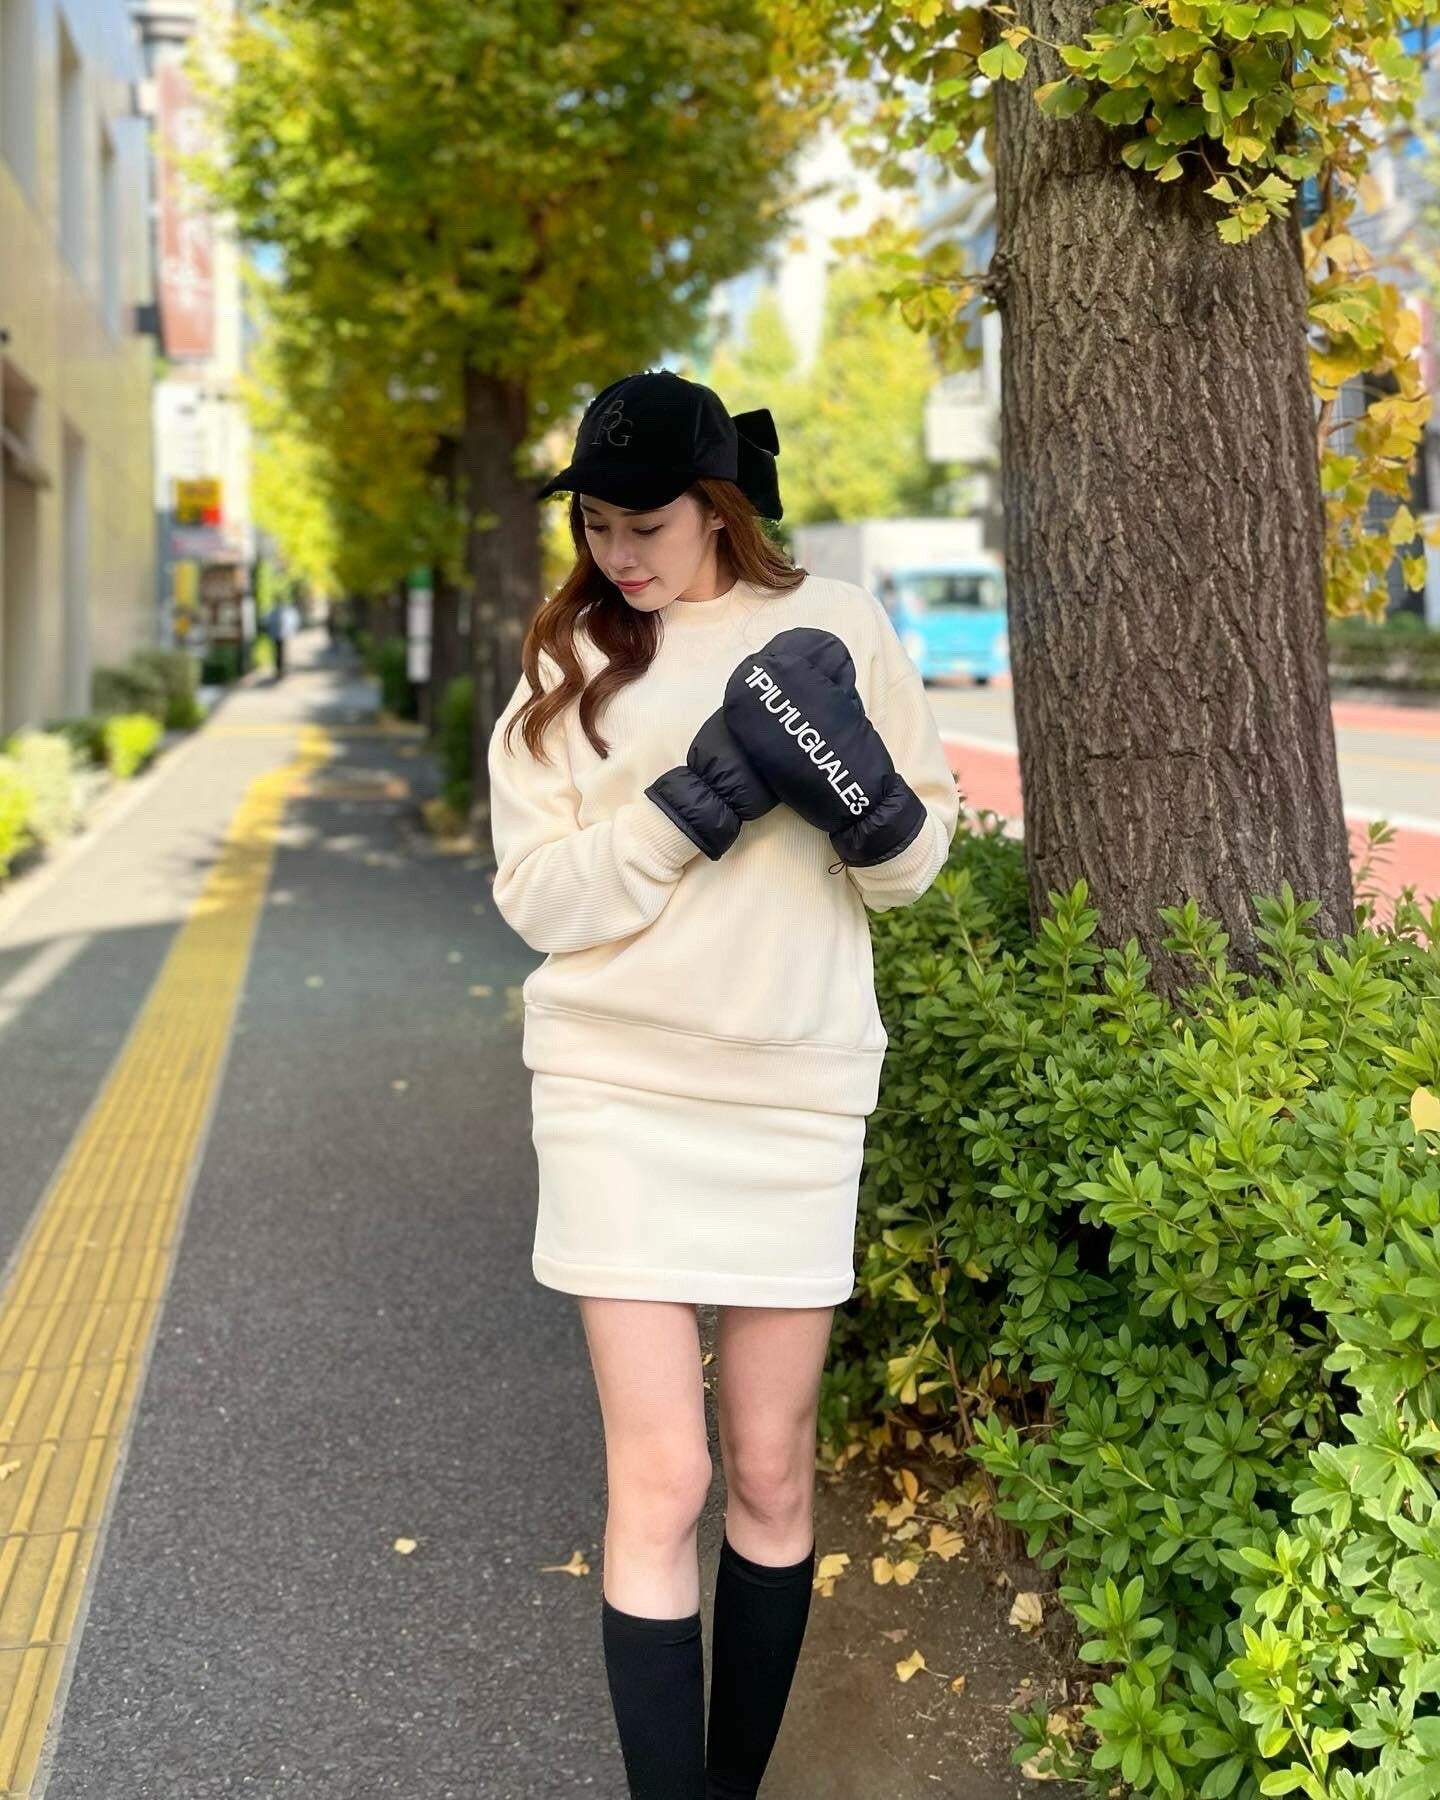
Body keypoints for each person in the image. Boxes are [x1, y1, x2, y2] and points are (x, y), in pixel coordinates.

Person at [486, 369, 960, 1799]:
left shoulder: (836, 626)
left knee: (768, 1469)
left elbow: (915, 869)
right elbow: (535, 899)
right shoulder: (569, 660)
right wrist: (685, 810)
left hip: (791, 1094)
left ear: (718, 505)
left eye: (646, 523)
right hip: (616, 1088)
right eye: (595, 523)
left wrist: (857, 800)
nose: (618, 553)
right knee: (665, 1480)